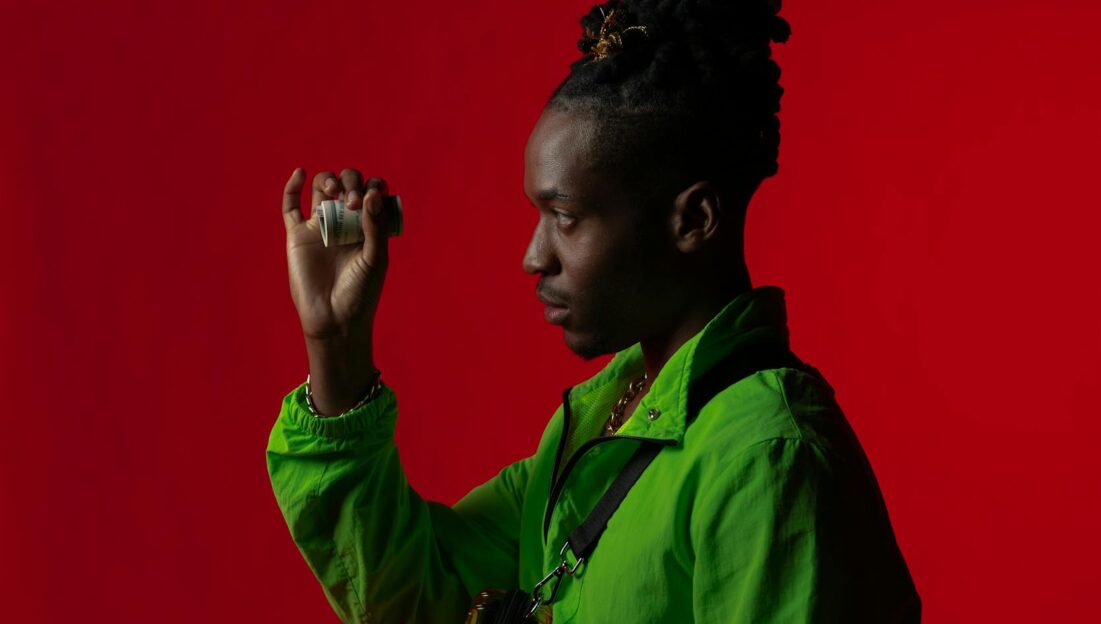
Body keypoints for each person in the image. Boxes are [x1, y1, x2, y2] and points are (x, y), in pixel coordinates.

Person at [265, 1, 921, 622]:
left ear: (693, 218)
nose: (532, 258)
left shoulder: (767, 460)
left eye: (567, 217)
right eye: (538, 216)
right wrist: (336, 343)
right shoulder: (600, 428)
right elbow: (417, 593)